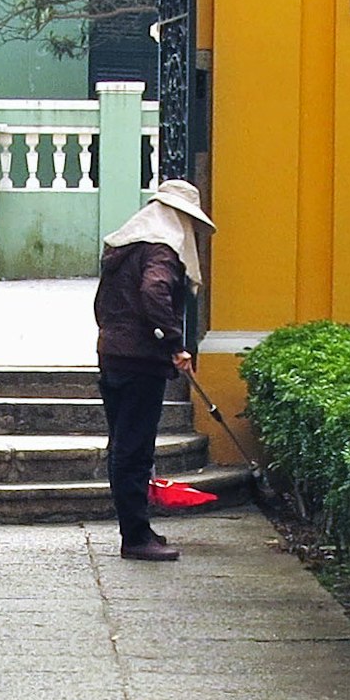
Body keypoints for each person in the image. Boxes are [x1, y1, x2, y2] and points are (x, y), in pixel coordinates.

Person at [92, 177, 209, 561]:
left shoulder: (125, 247)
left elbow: (102, 303)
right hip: (140, 361)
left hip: (113, 354)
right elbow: (154, 291)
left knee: (123, 445)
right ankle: (135, 538)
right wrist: (174, 342)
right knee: (134, 449)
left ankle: (138, 527)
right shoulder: (161, 249)